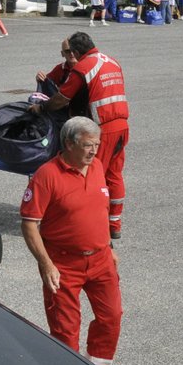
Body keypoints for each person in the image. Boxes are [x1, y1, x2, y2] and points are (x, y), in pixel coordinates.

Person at [20, 117, 123, 365]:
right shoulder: (47, 176)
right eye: (88, 145)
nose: (94, 151)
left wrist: (109, 247)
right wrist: (45, 264)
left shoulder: (97, 166)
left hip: (100, 260)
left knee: (111, 318)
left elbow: (98, 211)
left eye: (96, 144)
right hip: (63, 264)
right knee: (66, 331)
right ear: (69, 143)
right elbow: (29, 224)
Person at [47, 32, 130, 239]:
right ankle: (114, 224)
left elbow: (62, 99)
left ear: (75, 52)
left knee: (92, 174)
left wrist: (42, 108)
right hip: (122, 125)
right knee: (114, 174)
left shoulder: (84, 66)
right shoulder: (112, 61)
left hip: (103, 127)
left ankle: (94, 224)